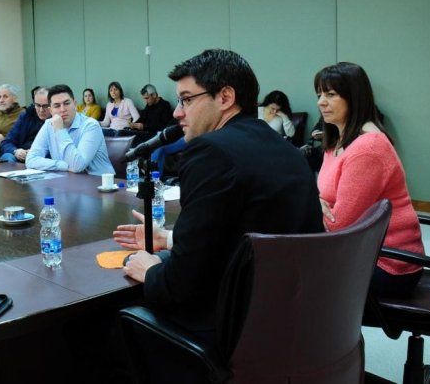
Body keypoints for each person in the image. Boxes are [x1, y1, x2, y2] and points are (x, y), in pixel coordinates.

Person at [113, 49, 322, 353]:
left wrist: (149, 270)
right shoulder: (283, 147)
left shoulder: (211, 152)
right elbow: (246, 233)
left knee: (102, 325)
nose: (177, 112)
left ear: (225, 97)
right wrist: (170, 239)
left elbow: (181, 285)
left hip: (235, 328)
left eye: (187, 99)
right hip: (293, 319)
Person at [314, 62, 424, 296]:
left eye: (330, 94)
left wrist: (315, 204)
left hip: (389, 264)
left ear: (354, 96)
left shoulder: (368, 147)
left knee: (294, 280)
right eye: (319, 94)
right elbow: (325, 200)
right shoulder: (336, 141)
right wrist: (318, 203)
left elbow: (338, 225)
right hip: (360, 251)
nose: (321, 102)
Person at [26, 84, 115, 175]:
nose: (63, 109)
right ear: (51, 110)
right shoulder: (49, 124)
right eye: (57, 106)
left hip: (99, 183)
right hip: (68, 181)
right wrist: (61, 165)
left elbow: (77, 166)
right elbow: (30, 160)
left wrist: (60, 131)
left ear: (75, 104)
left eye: (67, 103)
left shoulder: (91, 125)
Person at [0, 86, 51, 163]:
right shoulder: (26, 116)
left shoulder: (56, 120)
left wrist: (36, 153)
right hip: (21, 156)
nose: (41, 110)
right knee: (7, 156)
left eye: (45, 106)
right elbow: (6, 142)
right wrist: (16, 151)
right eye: (37, 105)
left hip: (42, 159)